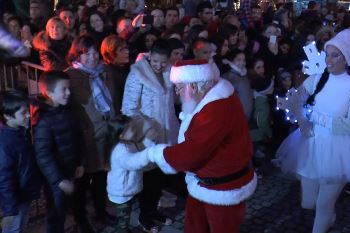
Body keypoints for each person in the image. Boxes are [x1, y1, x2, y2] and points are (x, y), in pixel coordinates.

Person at [143, 59, 257, 233]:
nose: (177, 92)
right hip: (206, 183)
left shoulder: (216, 108)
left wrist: (158, 154)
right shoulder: (212, 98)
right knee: (195, 225)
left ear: (193, 87)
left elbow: (192, 152)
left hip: (222, 189)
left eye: (180, 87)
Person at [276, 29, 350, 233]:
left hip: (339, 150)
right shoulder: (318, 79)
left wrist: (316, 118)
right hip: (310, 144)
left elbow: (347, 125)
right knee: (308, 202)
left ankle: (324, 220)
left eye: (336, 55)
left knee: (323, 205)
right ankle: (330, 218)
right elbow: (295, 99)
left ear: (347, 58)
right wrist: (302, 120)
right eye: (328, 53)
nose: (329, 59)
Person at [121, 39, 179, 232]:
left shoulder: (171, 72)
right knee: (148, 177)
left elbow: (173, 101)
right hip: (148, 136)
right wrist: (146, 127)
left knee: (160, 176)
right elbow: (129, 107)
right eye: (155, 61)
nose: (159, 66)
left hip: (167, 132)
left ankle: (153, 211)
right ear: (150, 56)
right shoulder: (138, 74)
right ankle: (145, 216)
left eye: (163, 62)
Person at [31, 71, 93, 233]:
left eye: (69, 88)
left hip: (72, 168)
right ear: (49, 93)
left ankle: (82, 224)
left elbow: (78, 137)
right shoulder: (43, 120)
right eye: (64, 89)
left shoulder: (68, 110)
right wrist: (59, 180)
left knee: (77, 202)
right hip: (57, 179)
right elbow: (43, 155)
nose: (69, 92)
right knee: (56, 214)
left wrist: (81, 163)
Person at [65, 34, 117, 226]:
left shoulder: (104, 72)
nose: (92, 57)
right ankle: (81, 220)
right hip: (85, 137)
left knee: (101, 177)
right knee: (83, 181)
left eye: (95, 53)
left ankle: (100, 211)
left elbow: (112, 101)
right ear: (77, 54)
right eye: (86, 53)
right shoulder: (71, 75)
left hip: (105, 134)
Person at [107, 116, 160, 233]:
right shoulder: (120, 150)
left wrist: (150, 140)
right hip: (121, 193)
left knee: (126, 216)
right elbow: (133, 162)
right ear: (121, 135)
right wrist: (149, 154)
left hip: (127, 190)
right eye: (130, 128)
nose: (134, 129)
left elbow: (140, 150)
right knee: (123, 221)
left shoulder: (129, 143)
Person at [0, 90, 41, 233]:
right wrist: (10, 210)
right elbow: (4, 179)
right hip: (16, 200)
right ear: (7, 116)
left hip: (23, 194)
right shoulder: (5, 143)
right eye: (23, 113)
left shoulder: (18, 132)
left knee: (20, 227)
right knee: (14, 229)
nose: (29, 115)